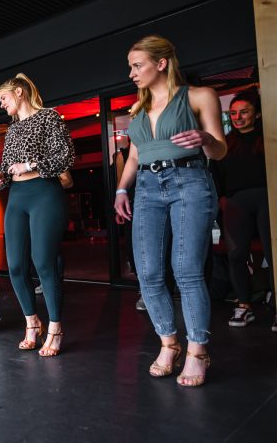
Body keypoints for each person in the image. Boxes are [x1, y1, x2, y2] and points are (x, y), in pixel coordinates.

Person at [114, 35, 226, 386]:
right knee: (147, 272)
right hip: (147, 187)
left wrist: (206, 140)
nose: (131, 73)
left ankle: (198, 351)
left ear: (161, 63)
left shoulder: (198, 96)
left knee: (186, 271)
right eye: (130, 67)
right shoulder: (138, 107)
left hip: (189, 181)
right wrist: (121, 188)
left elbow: (220, 149)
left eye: (137, 65)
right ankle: (168, 343)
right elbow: (133, 155)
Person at [0, 74, 74, 357]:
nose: (1, 105)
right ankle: (32, 323)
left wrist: (29, 164)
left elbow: (65, 156)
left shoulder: (49, 117)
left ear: (18, 92)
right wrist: (0, 174)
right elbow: (6, 166)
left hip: (44, 194)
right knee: (15, 266)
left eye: (3, 98)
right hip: (17, 198)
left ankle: (55, 327)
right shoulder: (12, 130)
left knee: (43, 263)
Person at [210, 87, 273, 330]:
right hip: (236, 202)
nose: (238, 117)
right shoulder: (225, 144)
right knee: (236, 254)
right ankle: (244, 306)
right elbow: (216, 175)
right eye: (234, 113)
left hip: (266, 198)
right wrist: (222, 199)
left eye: (244, 112)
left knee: (272, 253)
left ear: (256, 113)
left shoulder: (267, 138)